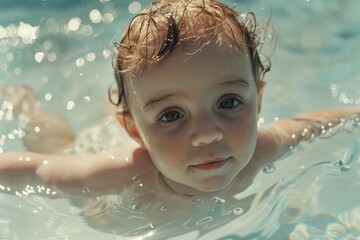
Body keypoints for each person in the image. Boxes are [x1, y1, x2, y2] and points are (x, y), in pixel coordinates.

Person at [1, 0, 359, 200]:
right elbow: (39, 170)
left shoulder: (265, 147)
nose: (207, 135)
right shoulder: (121, 174)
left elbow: (315, 123)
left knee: (143, 101)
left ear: (259, 100)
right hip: (97, 145)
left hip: (136, 117)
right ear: (135, 133)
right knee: (53, 140)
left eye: (229, 103)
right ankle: (29, 106)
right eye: (173, 116)